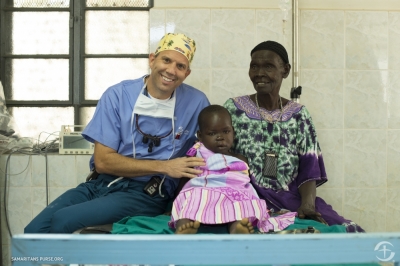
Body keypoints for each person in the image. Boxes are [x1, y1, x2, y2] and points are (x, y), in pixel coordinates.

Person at [24, 33, 210, 234]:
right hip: (102, 183)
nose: (171, 70)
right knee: (33, 231)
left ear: (187, 73)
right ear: (152, 59)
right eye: (166, 60)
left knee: (64, 219)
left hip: (147, 192)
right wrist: (166, 166)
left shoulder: (196, 103)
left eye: (180, 66)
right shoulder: (118, 95)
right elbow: (103, 162)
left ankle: (56, 262)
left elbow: (208, 152)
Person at [223, 40, 365, 233]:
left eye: (268, 67)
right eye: (254, 66)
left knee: (344, 230)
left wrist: (308, 205)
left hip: (291, 197)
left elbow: (309, 167)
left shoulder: (299, 114)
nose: (259, 73)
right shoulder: (233, 108)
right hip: (246, 196)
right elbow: (214, 152)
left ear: (285, 70)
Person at [168, 105, 296, 234]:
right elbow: (185, 181)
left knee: (244, 205)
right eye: (212, 133)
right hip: (203, 193)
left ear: (233, 132)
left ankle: (238, 228)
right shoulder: (196, 155)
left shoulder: (240, 159)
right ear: (200, 136)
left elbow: (245, 182)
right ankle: (185, 227)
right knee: (188, 201)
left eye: (226, 131)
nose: (220, 137)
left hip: (233, 194)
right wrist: (177, 201)